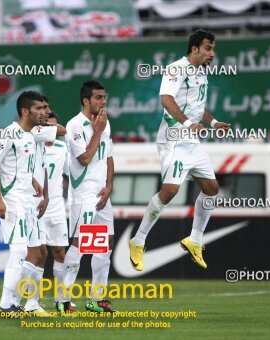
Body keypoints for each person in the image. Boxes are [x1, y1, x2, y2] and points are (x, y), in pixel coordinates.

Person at [129, 29, 230, 271]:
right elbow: (166, 100)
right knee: (170, 191)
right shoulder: (177, 69)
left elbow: (198, 108)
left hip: (191, 142)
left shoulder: (202, 74)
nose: (212, 53)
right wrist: (187, 124)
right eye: (208, 48)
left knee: (212, 189)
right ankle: (138, 241)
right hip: (173, 139)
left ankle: (194, 239)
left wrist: (213, 123)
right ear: (194, 48)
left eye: (214, 49)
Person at [0, 91, 65, 316]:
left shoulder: (33, 135)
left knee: (39, 252)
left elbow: (21, 166)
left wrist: (33, 182)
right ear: (25, 111)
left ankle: (28, 303)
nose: (45, 112)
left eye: (45, 108)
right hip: (12, 200)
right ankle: (5, 304)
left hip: (30, 201)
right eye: (39, 108)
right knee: (20, 250)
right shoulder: (9, 133)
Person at [61, 80, 115, 313]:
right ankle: (62, 300)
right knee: (79, 245)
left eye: (104, 97)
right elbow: (84, 158)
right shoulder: (75, 125)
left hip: (102, 194)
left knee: (106, 244)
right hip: (83, 195)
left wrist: (110, 185)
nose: (103, 101)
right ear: (86, 100)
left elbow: (108, 156)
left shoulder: (105, 122)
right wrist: (98, 130)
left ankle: (96, 299)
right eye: (98, 98)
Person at [42, 112, 71, 313]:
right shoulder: (34, 147)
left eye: (55, 126)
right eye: (48, 127)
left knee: (60, 253)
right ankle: (29, 300)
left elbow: (73, 174)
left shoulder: (62, 148)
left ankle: (61, 299)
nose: (52, 131)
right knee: (37, 255)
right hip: (37, 209)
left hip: (58, 208)